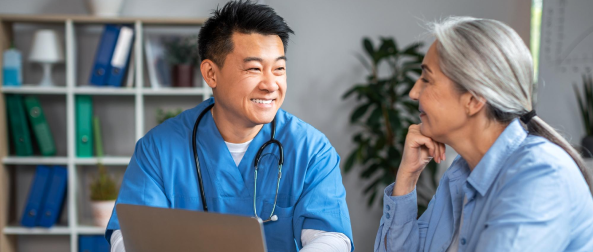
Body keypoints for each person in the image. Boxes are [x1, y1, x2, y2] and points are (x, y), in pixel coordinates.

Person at [106, 1, 353, 252]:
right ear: (211, 73)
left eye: (279, 69)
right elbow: (129, 236)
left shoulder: (311, 149)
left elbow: (330, 238)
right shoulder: (158, 149)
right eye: (254, 69)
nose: (271, 84)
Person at [375, 17, 593, 252]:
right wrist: (407, 178)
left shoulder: (541, 174)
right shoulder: (459, 175)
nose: (414, 92)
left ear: (473, 99)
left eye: (426, 79)